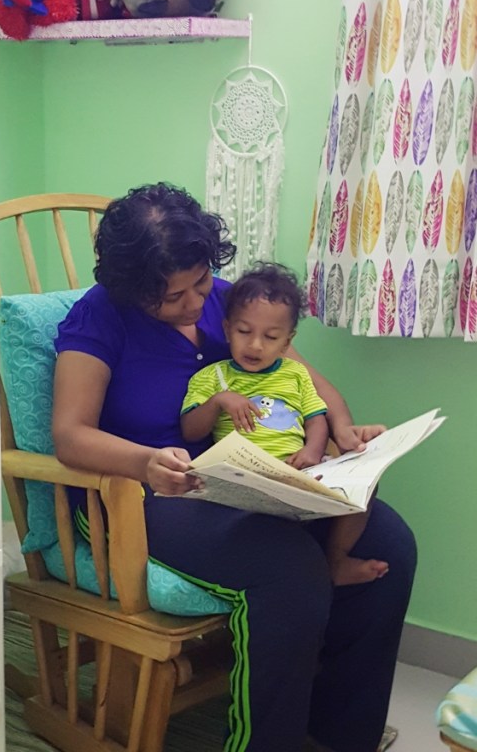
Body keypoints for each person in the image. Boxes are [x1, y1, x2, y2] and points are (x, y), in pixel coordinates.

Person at [52, 182, 416, 752]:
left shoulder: (231, 301)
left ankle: (338, 735)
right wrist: (145, 461)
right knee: (287, 567)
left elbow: (305, 380)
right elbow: (70, 435)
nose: (196, 303)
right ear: (134, 290)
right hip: (136, 492)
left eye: (201, 282)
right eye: (173, 296)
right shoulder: (98, 319)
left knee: (390, 541)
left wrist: (341, 432)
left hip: (235, 479)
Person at [180, 261, 389, 587]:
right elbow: (191, 430)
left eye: (271, 336)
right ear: (227, 329)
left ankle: (335, 560)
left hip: (298, 470)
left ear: (287, 341)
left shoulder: (295, 375)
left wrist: (312, 450)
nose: (255, 345)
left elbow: (316, 418)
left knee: (365, 486)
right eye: (244, 332)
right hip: (246, 479)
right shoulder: (212, 377)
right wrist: (219, 401)